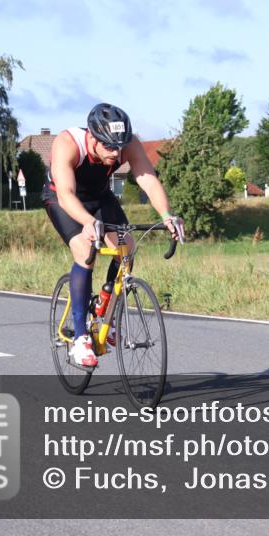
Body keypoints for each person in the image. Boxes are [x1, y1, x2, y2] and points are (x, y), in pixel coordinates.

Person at [42, 103, 182, 367]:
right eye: (109, 146)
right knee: (85, 250)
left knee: (126, 247)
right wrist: (87, 222)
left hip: (99, 197)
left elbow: (148, 179)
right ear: (93, 138)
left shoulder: (127, 144)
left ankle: (106, 313)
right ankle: (81, 337)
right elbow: (66, 195)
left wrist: (166, 216)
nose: (115, 153)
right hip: (62, 198)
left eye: (119, 146)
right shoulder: (68, 143)